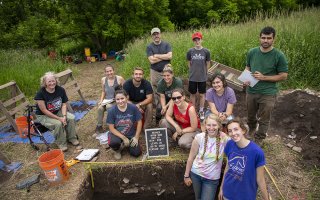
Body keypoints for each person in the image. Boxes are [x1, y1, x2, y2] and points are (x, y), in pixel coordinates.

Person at [244, 26, 288, 142]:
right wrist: (245, 78)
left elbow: (283, 75)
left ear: (274, 39)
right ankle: (251, 131)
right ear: (260, 38)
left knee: (264, 118)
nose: (266, 40)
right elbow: (248, 67)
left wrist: (264, 77)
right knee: (250, 116)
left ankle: (259, 138)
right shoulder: (252, 52)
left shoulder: (279, 55)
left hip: (268, 93)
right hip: (251, 91)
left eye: (269, 38)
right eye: (263, 38)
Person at [218, 118, 269, 200]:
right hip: (227, 193)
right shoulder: (229, 144)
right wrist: (221, 188)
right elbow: (227, 167)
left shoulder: (257, 152)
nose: (233, 133)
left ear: (243, 130)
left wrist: (266, 199)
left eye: (236, 129)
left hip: (245, 196)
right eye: (230, 131)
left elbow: (260, 179)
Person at [184, 114, 229, 200]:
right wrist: (186, 175)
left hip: (212, 179)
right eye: (208, 125)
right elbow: (191, 157)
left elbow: (236, 147)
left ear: (219, 125)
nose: (211, 128)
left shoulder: (225, 139)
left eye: (214, 125)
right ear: (205, 125)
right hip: (196, 174)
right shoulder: (199, 137)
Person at [34, 72, 80, 152]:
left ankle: (72, 138)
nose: (52, 83)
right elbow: (44, 110)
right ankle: (61, 143)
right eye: (49, 81)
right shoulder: (40, 94)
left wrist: (64, 116)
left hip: (56, 111)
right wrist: (59, 118)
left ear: (56, 80)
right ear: (45, 83)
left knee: (71, 118)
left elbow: (64, 105)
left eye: (53, 80)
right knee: (58, 123)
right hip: (44, 115)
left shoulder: (60, 90)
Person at [106, 89, 142, 160]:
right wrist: (123, 137)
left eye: (122, 98)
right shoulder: (111, 111)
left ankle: (126, 145)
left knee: (136, 153)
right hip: (116, 134)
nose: (120, 101)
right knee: (114, 143)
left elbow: (139, 122)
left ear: (127, 98)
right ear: (115, 100)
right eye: (117, 99)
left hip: (130, 134)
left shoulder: (133, 108)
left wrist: (136, 137)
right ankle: (116, 150)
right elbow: (111, 128)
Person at [186, 32, 211, 121]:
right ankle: (192, 110)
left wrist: (205, 72)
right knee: (192, 94)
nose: (197, 41)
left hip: (202, 77)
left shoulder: (206, 51)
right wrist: (192, 70)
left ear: (201, 40)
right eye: (195, 40)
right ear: (193, 41)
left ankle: (201, 110)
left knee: (201, 94)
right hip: (192, 77)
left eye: (198, 39)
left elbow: (208, 63)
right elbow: (188, 62)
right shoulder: (190, 51)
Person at [95, 64, 125, 134]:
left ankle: (113, 125)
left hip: (116, 100)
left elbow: (125, 91)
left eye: (110, 71)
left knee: (109, 107)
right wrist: (101, 101)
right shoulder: (103, 80)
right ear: (105, 73)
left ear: (113, 71)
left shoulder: (119, 79)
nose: (109, 73)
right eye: (107, 71)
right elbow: (103, 91)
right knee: (100, 108)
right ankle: (99, 126)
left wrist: (122, 99)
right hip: (107, 100)